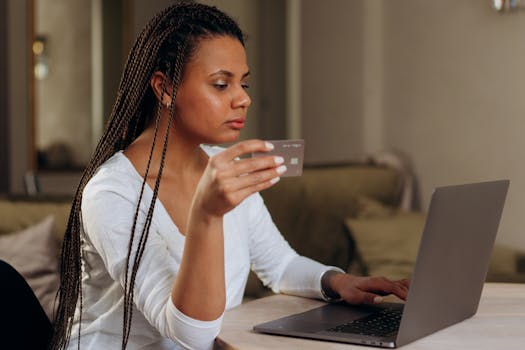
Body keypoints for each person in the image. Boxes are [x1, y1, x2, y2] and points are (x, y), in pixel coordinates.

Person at [51, 2, 409, 350]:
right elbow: (189, 335)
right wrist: (207, 215)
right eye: (222, 85)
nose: (243, 99)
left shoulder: (222, 167)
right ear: (165, 88)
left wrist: (339, 282)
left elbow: (279, 265)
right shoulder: (110, 193)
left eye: (244, 85)